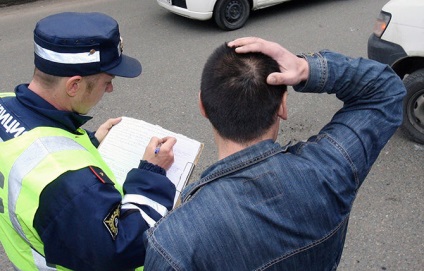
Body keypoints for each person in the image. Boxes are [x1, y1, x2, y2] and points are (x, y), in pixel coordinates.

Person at [143, 37, 406, 270]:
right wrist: (306, 68)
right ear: (282, 105)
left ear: (202, 105)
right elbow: (386, 90)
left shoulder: (173, 244)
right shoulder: (332, 168)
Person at [0, 12, 177, 271]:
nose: (110, 89)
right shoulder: (68, 186)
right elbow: (121, 250)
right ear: (74, 85)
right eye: (107, 81)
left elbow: (30, 154)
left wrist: (90, 141)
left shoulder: (5, 104)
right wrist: (152, 174)